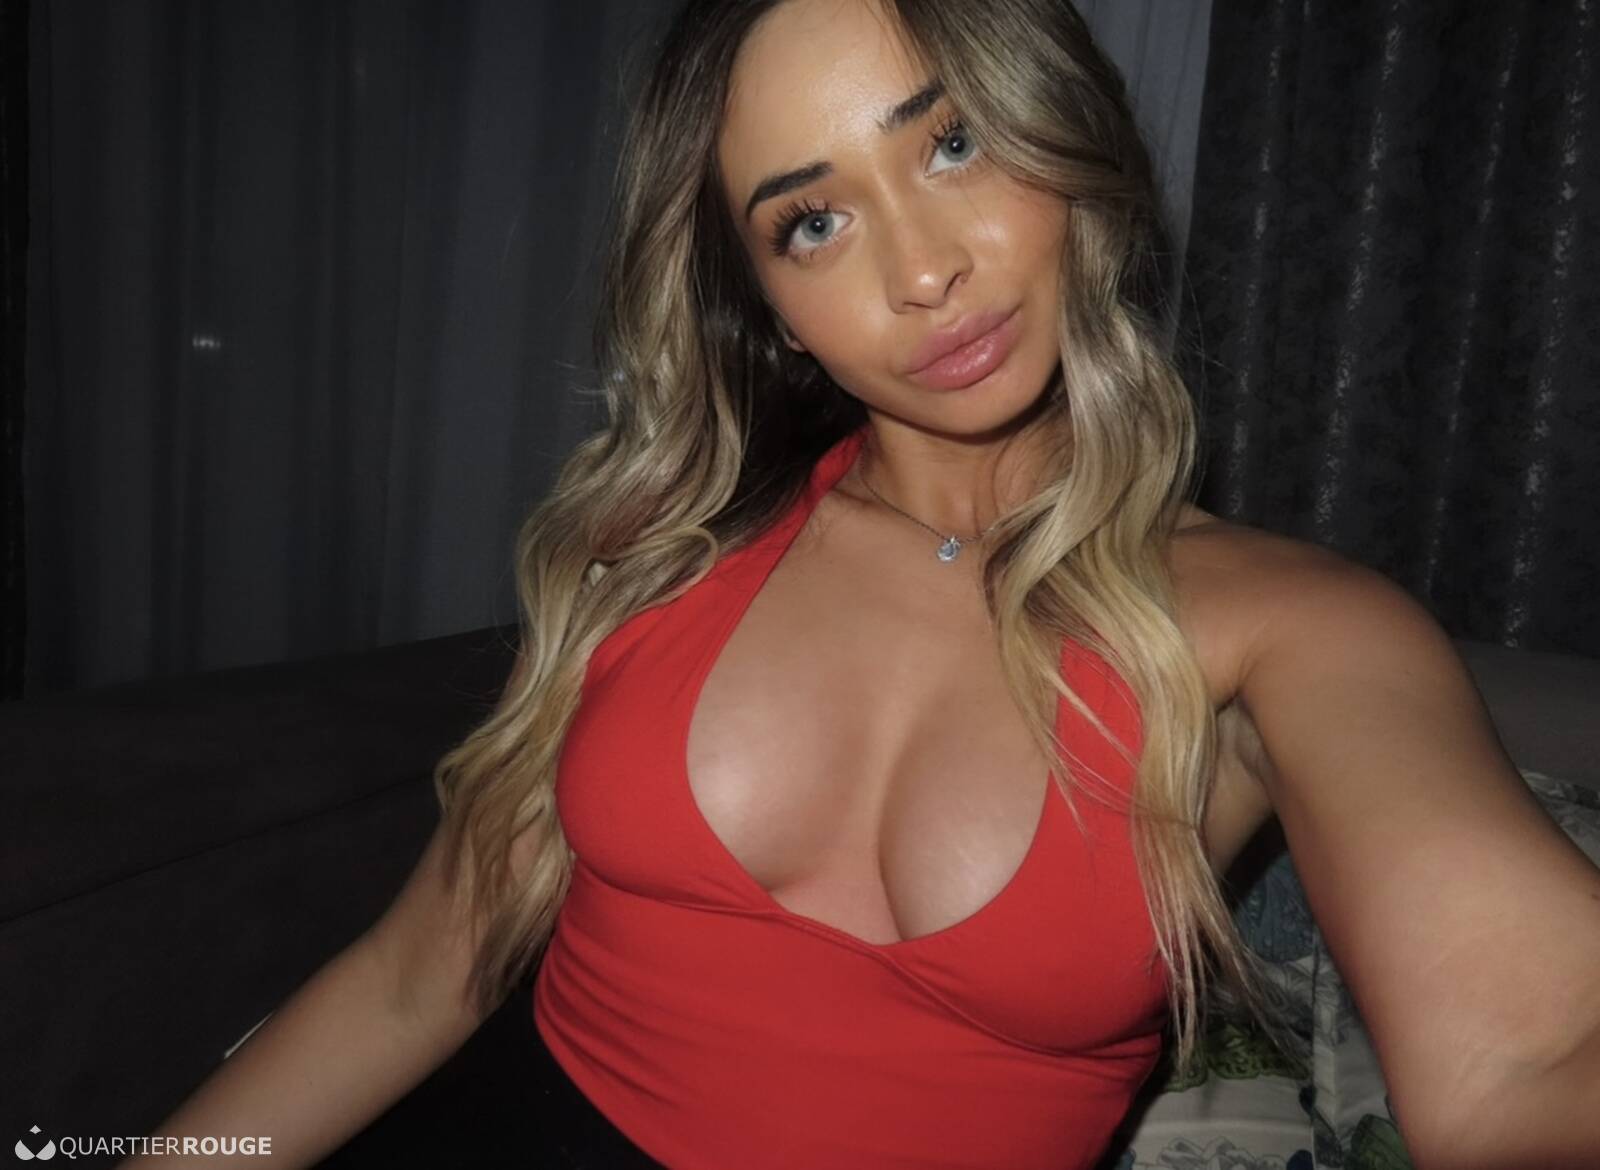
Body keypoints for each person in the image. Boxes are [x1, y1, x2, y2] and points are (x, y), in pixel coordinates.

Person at [121, 1, 1600, 1168]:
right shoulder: (665, 549)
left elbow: (1528, 1064)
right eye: (812, 221)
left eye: (952, 143)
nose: (922, 269)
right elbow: (417, 976)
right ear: (769, 305)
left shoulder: (1287, 630)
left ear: (1063, 138)